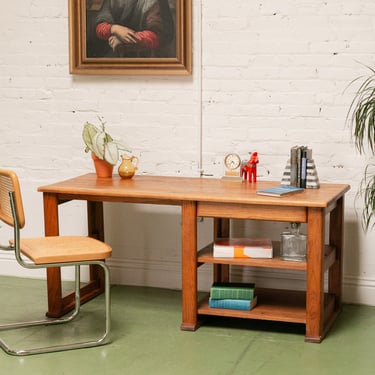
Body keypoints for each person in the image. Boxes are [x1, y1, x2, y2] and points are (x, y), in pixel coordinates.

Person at [93, 0, 174, 58]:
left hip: (146, 57)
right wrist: (114, 28)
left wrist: (126, 39)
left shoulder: (154, 2)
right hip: (114, 55)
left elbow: (160, 36)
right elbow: (99, 26)